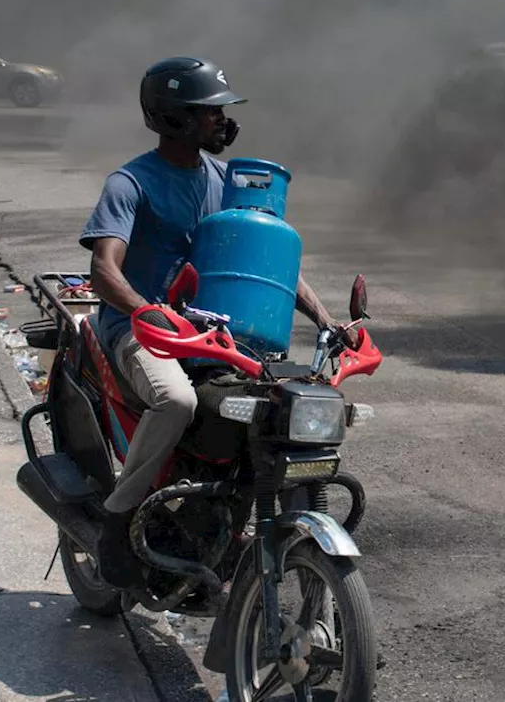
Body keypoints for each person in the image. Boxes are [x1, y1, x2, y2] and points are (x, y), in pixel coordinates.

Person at [80, 56, 346, 589]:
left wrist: (327, 320)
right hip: (143, 330)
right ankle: (118, 516)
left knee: (284, 410)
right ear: (174, 118)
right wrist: (144, 310)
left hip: (213, 335)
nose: (223, 123)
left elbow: (266, 259)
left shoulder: (228, 181)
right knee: (176, 400)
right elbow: (104, 269)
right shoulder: (131, 182)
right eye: (210, 113)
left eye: (223, 112)